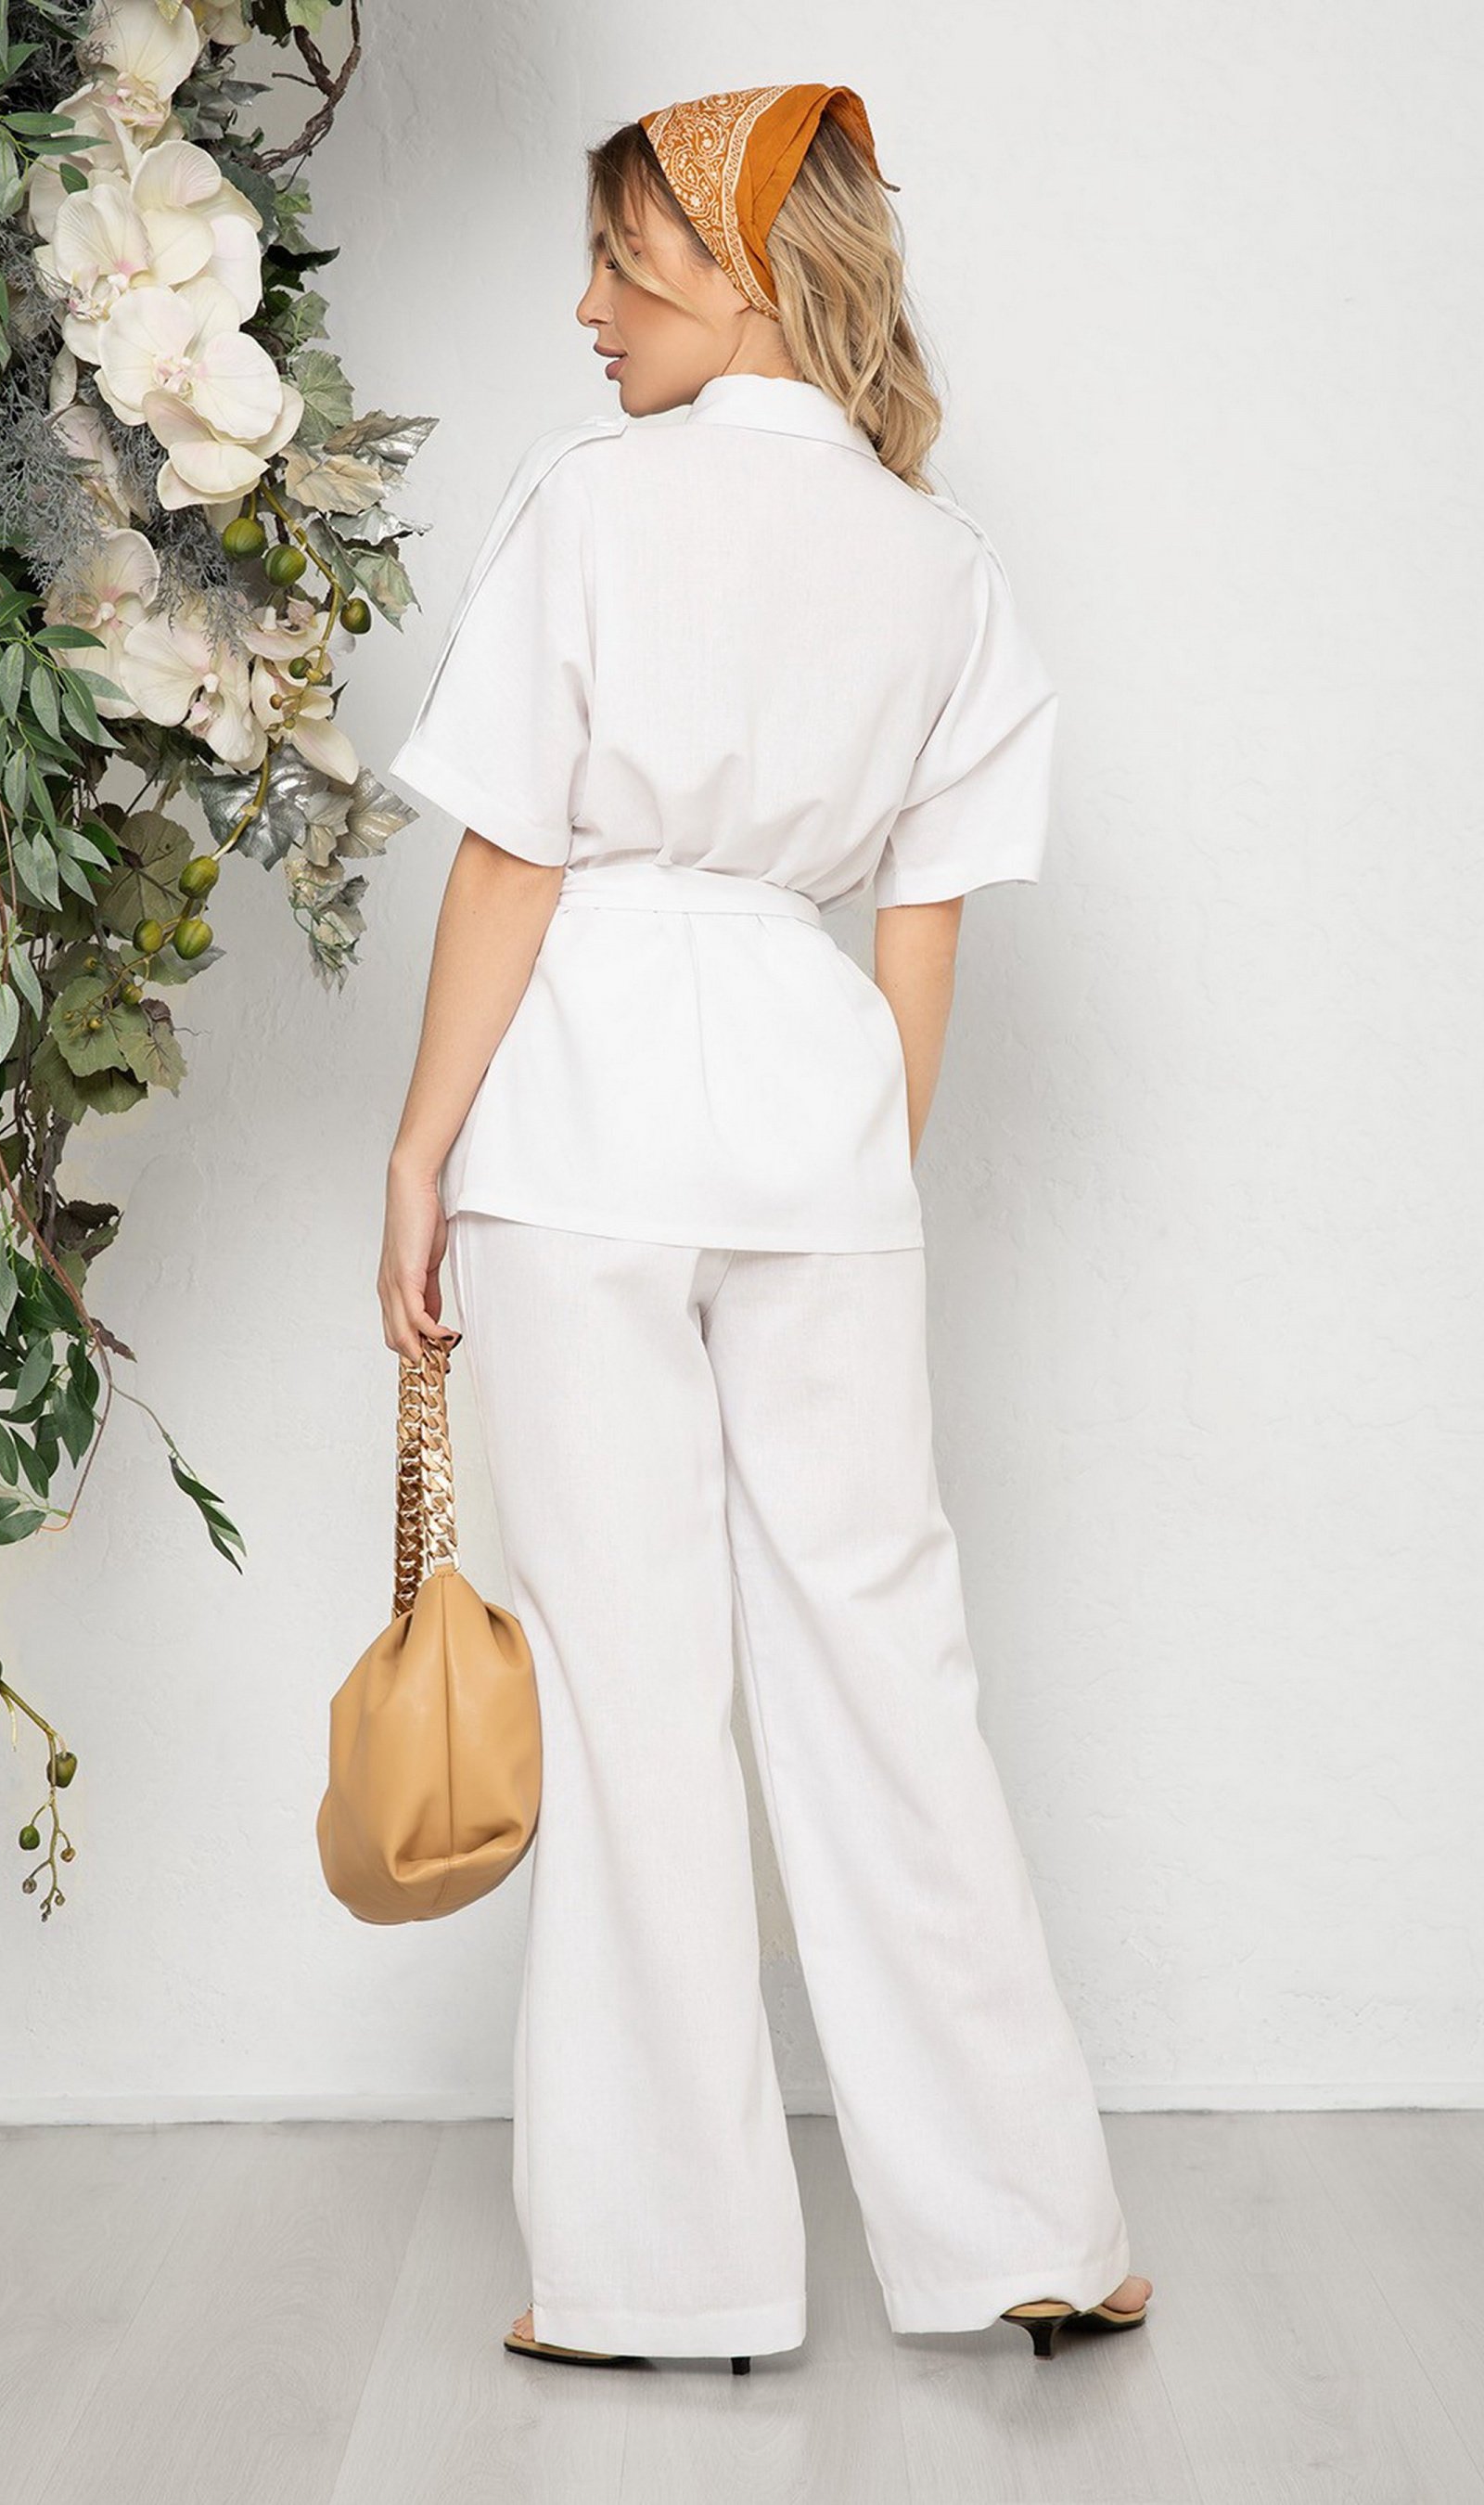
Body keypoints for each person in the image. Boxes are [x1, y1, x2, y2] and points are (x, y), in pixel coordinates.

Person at [378, 82, 1151, 2374]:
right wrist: (848, 1163)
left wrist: (418, 1150)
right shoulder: (941, 562)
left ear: (737, 273)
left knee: (633, 1698)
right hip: (818, 1134)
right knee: (887, 1670)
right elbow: (923, 925)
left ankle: (665, 2273)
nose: (586, 310)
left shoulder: (590, 503)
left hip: (576, 1124)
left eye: (623, 264)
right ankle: (1028, 2234)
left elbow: (513, 851)